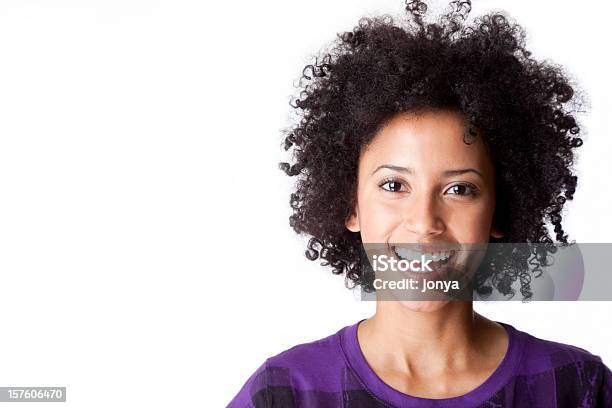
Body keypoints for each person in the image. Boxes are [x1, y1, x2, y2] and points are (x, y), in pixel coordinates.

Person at [229, 1, 612, 406]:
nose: (424, 222)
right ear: (351, 206)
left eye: (460, 189)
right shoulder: (285, 392)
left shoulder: (576, 386)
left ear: (501, 208)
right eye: (394, 185)